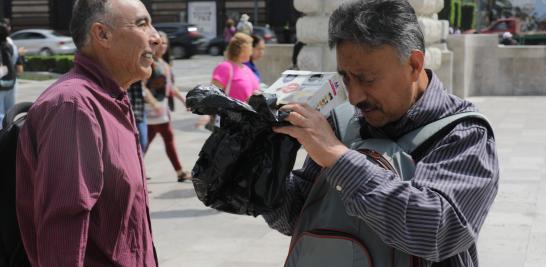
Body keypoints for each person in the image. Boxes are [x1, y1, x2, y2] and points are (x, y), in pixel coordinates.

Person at [262, 0, 499, 266]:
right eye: (346, 78)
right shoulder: (342, 123)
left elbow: (437, 231)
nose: (353, 96)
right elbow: (297, 216)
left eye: (367, 79)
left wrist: (339, 159)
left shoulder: (464, 134)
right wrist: (262, 176)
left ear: (414, 65)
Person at [15, 0, 160, 266]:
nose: (156, 38)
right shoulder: (73, 106)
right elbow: (63, 232)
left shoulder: (112, 98)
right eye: (142, 24)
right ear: (102, 34)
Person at [143, 31, 191, 182]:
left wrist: (184, 100)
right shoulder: (149, 63)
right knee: (163, 138)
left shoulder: (164, 64)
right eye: (159, 43)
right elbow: (142, 86)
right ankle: (180, 172)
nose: (162, 46)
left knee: (147, 141)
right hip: (150, 110)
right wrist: (154, 103)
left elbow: (171, 87)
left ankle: (134, 169)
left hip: (163, 108)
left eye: (165, 43)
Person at [212, 32, 259, 102]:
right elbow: (213, 98)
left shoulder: (247, 69)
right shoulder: (225, 67)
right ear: (242, 49)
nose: (251, 52)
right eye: (250, 48)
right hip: (230, 112)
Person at [0, 18, 23, 125]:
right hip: (11, 83)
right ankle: (9, 138)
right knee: (9, 114)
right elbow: (19, 70)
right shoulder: (12, 45)